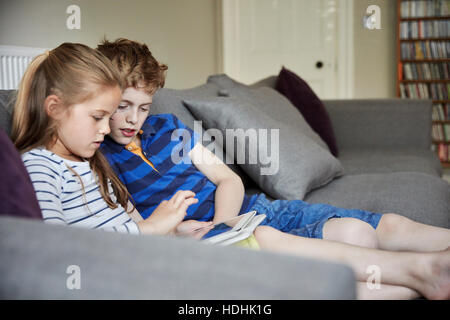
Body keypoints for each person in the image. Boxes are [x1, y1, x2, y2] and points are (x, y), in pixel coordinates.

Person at [97, 38, 450, 300]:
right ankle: (421, 280)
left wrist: (225, 220)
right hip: (203, 237)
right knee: (355, 238)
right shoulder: (103, 158)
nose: (133, 118)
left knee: (372, 227)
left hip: (247, 211)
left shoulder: (168, 128)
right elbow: (138, 231)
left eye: (143, 107)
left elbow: (227, 179)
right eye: (123, 106)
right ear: (103, 99)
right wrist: (188, 232)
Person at [11, 42, 212, 238]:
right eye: (98, 117)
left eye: (108, 117)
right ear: (55, 109)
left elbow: (131, 236)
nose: (106, 129)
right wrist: (150, 227)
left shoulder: (92, 164)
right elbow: (50, 243)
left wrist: (172, 233)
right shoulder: (40, 166)